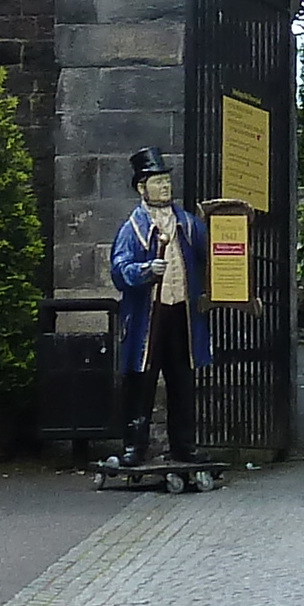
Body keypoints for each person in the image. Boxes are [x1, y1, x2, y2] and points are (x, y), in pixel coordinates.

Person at [107, 147, 213, 468]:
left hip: (181, 313)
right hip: (148, 318)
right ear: (142, 188)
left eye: (166, 180)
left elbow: (210, 257)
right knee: (141, 380)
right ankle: (134, 446)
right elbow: (118, 269)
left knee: (182, 379)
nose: (165, 187)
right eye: (157, 181)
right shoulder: (132, 228)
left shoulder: (190, 225)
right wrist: (143, 271)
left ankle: (185, 445)